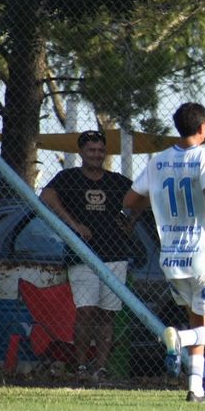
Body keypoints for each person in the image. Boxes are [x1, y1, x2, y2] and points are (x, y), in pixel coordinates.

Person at [123, 103, 205, 402]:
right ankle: (179, 339)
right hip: (204, 256)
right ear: (203, 127)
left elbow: (130, 200)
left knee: (197, 320)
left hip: (172, 258)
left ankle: (195, 387)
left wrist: (162, 204)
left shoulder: (159, 162)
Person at [40, 130, 133, 381]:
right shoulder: (67, 178)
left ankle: (100, 368)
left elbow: (139, 198)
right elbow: (46, 196)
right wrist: (73, 225)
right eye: (91, 150)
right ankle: (81, 367)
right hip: (81, 256)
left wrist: (131, 220)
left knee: (107, 314)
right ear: (81, 152)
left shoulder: (117, 181)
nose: (96, 154)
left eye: (101, 150)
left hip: (115, 254)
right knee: (85, 311)